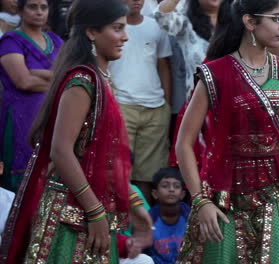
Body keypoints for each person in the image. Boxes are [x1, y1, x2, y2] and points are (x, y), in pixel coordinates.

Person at [0, 0, 153, 262]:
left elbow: (106, 159)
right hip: (68, 210)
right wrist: (94, 211)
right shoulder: (82, 81)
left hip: (91, 203)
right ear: (91, 32)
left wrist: (136, 206)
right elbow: (61, 151)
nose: (125, 37)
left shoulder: (102, 79)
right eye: (117, 28)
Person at [175, 0, 279, 262]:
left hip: (274, 198)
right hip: (225, 199)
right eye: (277, 18)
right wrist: (201, 201)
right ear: (250, 22)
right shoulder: (216, 74)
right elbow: (184, 143)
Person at [109, 0, 173, 203]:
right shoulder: (109, 28)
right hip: (120, 105)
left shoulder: (156, 26)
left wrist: (167, 104)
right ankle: (120, 227)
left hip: (155, 107)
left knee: (148, 174)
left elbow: (164, 65)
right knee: (119, 170)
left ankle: (142, 227)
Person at [0, 0, 63, 192]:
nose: (39, 12)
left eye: (43, 7)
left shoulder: (56, 40)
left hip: (52, 115)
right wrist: (56, 79)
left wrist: (38, 73)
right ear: (20, 10)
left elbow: (68, 75)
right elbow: (23, 82)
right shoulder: (11, 40)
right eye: (32, 7)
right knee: (19, 182)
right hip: (21, 116)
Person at [146, 168, 190, 264]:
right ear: (155, 194)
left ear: (182, 194)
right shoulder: (149, 218)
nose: (171, 189)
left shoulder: (189, 215)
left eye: (176, 186)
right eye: (165, 186)